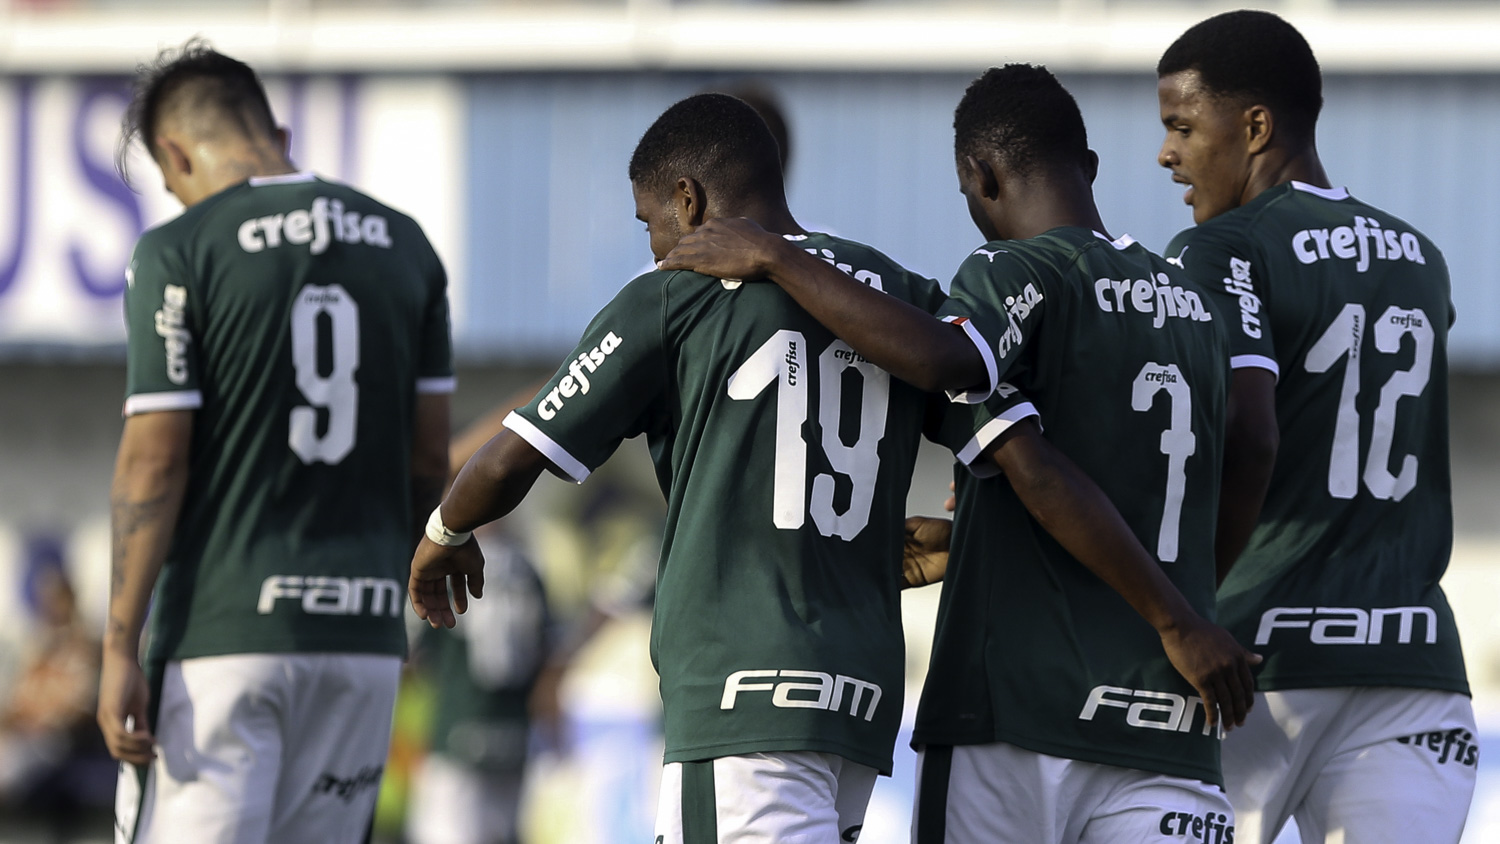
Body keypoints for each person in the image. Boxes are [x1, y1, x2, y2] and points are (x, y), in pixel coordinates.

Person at [660, 64, 1259, 842]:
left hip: (1017, 711)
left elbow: (954, 371)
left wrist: (779, 257)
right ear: (1092, 167)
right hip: (1170, 723)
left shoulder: (1022, 270)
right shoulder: (1198, 306)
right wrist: (1188, 605)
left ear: (978, 178)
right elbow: (1251, 445)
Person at [99, 40, 453, 844]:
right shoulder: (407, 246)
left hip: (224, 639)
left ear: (175, 153)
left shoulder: (179, 250)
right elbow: (429, 458)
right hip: (360, 642)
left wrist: (119, 644)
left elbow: (155, 456)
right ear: (278, 133)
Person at [1156, 11, 1477, 843]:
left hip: (1259, 663)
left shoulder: (1222, 248)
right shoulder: (1421, 255)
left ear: (1255, 126)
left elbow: (1246, 432)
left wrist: (1186, 613)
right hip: (1415, 666)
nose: (1167, 155)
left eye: (1182, 127)